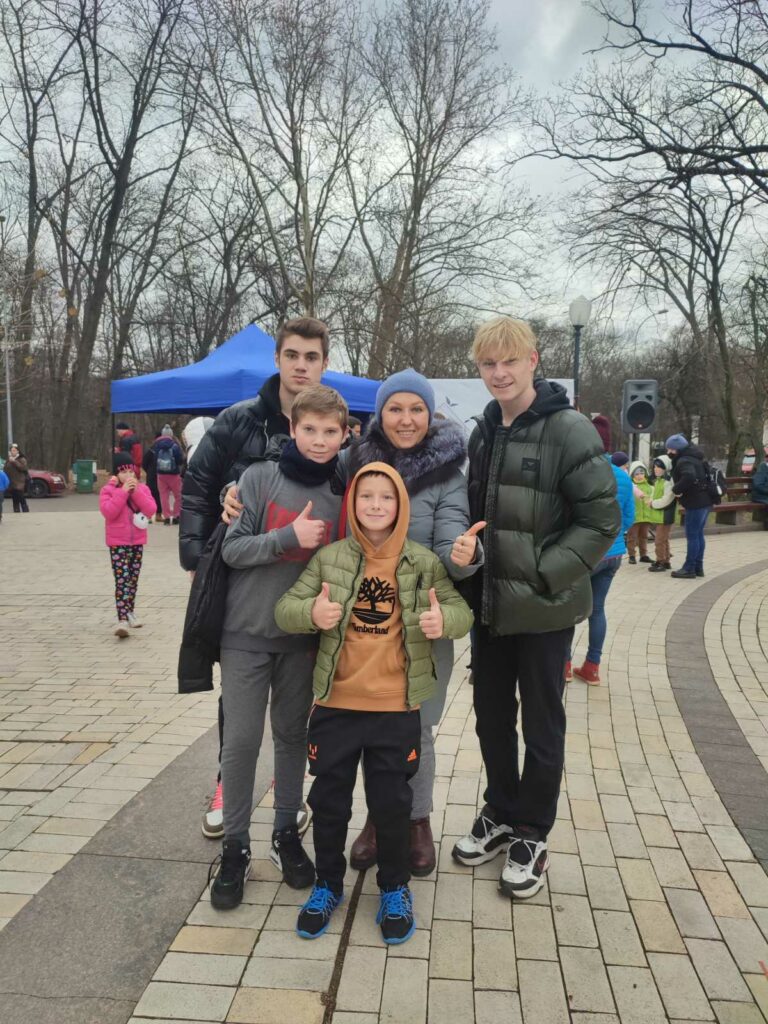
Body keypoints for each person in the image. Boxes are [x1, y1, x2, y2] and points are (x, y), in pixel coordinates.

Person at [451, 316, 620, 899]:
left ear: (532, 360)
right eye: (488, 364)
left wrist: (545, 575)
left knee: (542, 724)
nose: (499, 373)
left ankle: (532, 832)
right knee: (491, 716)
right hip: (490, 606)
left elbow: (601, 521)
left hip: (545, 611)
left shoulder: (569, 430)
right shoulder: (483, 431)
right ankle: (501, 810)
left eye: (509, 361)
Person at [274, 463, 473, 943]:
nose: (377, 505)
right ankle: (327, 884)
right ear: (352, 504)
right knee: (329, 803)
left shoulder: (422, 562)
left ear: (401, 505)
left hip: (395, 709)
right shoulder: (330, 558)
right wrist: (312, 613)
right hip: (337, 706)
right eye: (367, 496)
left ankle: (394, 888)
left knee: (392, 806)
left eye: (387, 497)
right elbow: (285, 609)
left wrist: (443, 622)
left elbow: (461, 612)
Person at [181, 317, 330, 840]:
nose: (301, 366)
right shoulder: (239, 419)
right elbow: (198, 484)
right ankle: (229, 783)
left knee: (293, 716)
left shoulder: (333, 428)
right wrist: (197, 557)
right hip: (241, 581)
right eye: (292, 355)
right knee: (240, 705)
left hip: (302, 598)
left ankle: (289, 796)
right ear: (277, 359)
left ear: (324, 364)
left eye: (311, 357)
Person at [338, 369, 483, 878]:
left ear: (429, 413)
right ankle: (380, 820)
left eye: (416, 409)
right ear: (380, 414)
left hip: (420, 623)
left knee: (415, 727)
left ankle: (417, 820)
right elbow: (299, 471)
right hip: (363, 622)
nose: (405, 419)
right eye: (395, 409)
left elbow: (451, 546)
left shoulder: (447, 474)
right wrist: (234, 489)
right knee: (368, 723)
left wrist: (465, 557)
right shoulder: (354, 461)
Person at [207, 385, 348, 910]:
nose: (318, 440)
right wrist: (288, 538)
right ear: (292, 428)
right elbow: (233, 549)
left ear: (344, 435)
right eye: (309, 429)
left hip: (301, 640)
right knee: (241, 741)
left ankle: (286, 832)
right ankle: (235, 846)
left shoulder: (343, 490)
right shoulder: (259, 477)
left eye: (329, 431)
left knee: (292, 738)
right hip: (245, 634)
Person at [570, 415, 635, 686]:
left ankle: (563, 665)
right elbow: (629, 518)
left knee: (568, 609)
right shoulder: (623, 477)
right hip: (614, 553)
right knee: (597, 611)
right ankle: (592, 667)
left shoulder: (579, 473)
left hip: (585, 555)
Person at [99, 453, 156, 637]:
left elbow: (151, 509)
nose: (129, 475)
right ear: (116, 474)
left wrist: (135, 491)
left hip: (136, 542)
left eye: (131, 471)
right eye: (124, 472)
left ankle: (130, 612)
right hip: (117, 543)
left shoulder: (142, 489)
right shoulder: (108, 490)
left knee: (132, 579)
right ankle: (122, 619)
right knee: (122, 579)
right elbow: (109, 512)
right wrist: (122, 492)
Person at [665, 433, 711, 579]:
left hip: (695, 502)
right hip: (705, 500)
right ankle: (698, 567)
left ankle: (689, 568)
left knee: (692, 536)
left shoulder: (684, 460)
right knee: (698, 534)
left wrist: (676, 489)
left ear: (678, 449)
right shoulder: (695, 457)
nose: (669, 452)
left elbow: (689, 476)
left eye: (671, 449)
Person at [646, 456, 676, 571]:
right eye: (654, 467)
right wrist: (650, 500)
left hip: (665, 515)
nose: (655, 469)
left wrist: (653, 504)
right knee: (664, 539)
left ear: (665, 468)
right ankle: (666, 560)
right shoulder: (659, 480)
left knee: (659, 540)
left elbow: (667, 499)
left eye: (659, 467)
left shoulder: (668, 481)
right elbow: (655, 494)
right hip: (660, 515)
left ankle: (661, 562)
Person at [153, 425, 184, 525]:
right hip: (174, 474)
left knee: (163, 496)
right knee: (178, 495)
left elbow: (154, 459)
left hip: (161, 475)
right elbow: (180, 460)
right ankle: (176, 516)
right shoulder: (174, 445)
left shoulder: (157, 445)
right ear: (171, 434)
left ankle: (166, 517)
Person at [626, 462, 653, 564]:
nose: (639, 476)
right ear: (632, 475)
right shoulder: (631, 486)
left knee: (644, 537)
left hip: (646, 517)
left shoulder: (649, 487)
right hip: (634, 517)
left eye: (641, 473)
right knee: (632, 537)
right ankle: (632, 555)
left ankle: (643, 555)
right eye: (636, 474)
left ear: (645, 473)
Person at [5, 444, 30, 512]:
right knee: (15, 499)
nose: (13, 452)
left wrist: (14, 461)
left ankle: (26, 511)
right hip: (11, 482)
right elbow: (5, 469)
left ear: (18, 451)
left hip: (19, 482)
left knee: (21, 497)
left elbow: (23, 468)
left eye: (14, 450)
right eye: (11, 451)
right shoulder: (8, 460)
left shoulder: (22, 459)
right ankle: (16, 512)